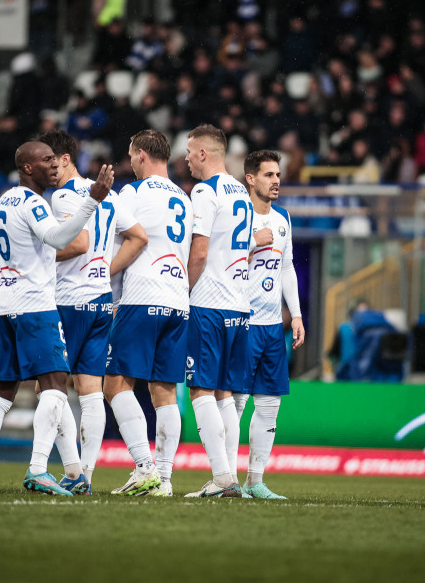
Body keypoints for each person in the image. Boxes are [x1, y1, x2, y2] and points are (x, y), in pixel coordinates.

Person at [0, 140, 113, 495]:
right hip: (35, 305)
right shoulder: (34, 202)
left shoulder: (2, 201)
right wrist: (92, 198)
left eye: (54, 159)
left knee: (2, 393)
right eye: (46, 160)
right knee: (55, 383)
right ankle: (37, 469)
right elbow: (58, 237)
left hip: (6, 305)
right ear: (27, 168)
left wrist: (12, 262)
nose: (53, 165)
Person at [40, 130, 147, 495]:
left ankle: (69, 470)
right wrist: (107, 269)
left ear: (66, 158)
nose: (48, 168)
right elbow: (138, 236)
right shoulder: (110, 196)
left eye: (51, 161)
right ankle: (85, 473)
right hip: (101, 301)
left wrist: (34, 256)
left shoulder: (64, 196)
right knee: (90, 393)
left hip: (69, 300)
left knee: (50, 388)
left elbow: (78, 243)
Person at [102, 129, 192, 497]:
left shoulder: (132, 193)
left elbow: (123, 244)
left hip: (142, 296)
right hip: (177, 299)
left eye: (130, 156)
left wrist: (110, 293)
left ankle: (144, 467)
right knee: (164, 391)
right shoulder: (184, 199)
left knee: (115, 383)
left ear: (140, 155)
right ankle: (165, 480)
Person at [183, 123, 253, 498]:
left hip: (208, 302)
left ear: (205, 154)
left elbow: (200, 251)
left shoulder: (204, 191)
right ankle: (229, 478)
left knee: (201, 390)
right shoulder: (240, 190)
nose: (187, 158)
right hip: (238, 307)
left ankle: (223, 477)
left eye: (191, 151)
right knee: (225, 393)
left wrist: (183, 290)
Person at [240, 150, 304, 499]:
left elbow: (287, 268)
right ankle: (224, 479)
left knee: (269, 405)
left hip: (270, 326)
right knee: (233, 403)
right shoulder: (239, 216)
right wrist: (251, 242)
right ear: (250, 179)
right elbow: (218, 260)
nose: (276, 180)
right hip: (241, 322)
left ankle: (256, 480)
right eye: (268, 175)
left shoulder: (283, 219)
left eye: (278, 174)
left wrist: (295, 314)